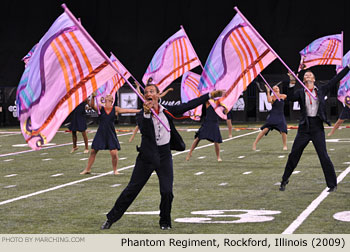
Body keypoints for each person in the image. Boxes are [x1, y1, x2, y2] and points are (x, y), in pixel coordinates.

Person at [100, 84, 224, 230]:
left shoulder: (167, 111)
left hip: (164, 155)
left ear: (158, 95)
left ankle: (165, 222)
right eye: (146, 92)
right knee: (132, 190)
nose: (148, 94)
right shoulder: (141, 115)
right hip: (147, 156)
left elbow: (190, 104)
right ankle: (110, 219)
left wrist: (210, 95)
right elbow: (146, 131)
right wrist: (146, 114)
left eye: (152, 91)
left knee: (167, 191)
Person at [279, 65, 350, 192]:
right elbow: (289, 98)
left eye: (310, 75)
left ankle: (332, 184)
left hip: (317, 127)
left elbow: (335, 79)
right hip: (304, 128)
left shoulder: (321, 90)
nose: (308, 76)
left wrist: (348, 67)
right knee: (294, 155)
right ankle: (284, 180)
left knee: (323, 156)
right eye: (306, 75)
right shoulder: (301, 92)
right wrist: (291, 82)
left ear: (314, 78)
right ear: (304, 80)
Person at [80, 94, 140, 175]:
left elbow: (126, 110)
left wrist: (140, 111)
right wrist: (93, 97)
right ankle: (87, 169)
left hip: (110, 132)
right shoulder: (101, 108)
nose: (108, 96)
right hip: (101, 132)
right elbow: (91, 105)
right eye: (107, 96)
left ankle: (115, 170)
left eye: (110, 96)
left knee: (114, 153)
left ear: (112, 100)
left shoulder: (115, 108)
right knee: (93, 151)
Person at [252, 85, 288, 151]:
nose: (276, 89)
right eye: (274, 88)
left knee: (283, 131)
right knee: (265, 129)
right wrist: (268, 91)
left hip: (280, 116)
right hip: (273, 116)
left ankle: (285, 146)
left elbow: (286, 97)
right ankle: (255, 143)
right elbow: (269, 100)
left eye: (277, 88)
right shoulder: (272, 97)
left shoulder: (283, 95)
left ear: (279, 89)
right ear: (273, 90)